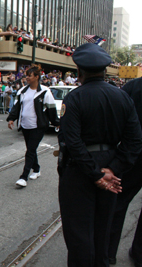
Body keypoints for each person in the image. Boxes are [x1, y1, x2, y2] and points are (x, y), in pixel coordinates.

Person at [58, 43, 142, 267]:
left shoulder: (74, 98)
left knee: (78, 234)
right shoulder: (123, 97)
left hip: (80, 171)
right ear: (105, 71)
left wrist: (96, 174)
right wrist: (112, 169)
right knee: (103, 229)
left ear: (79, 72)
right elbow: (134, 141)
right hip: (111, 169)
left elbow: (72, 142)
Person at [108, 76, 142, 266]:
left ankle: (108, 251)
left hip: (134, 156)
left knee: (118, 202)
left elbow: (116, 121)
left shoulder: (133, 87)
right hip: (133, 154)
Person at [7, 64, 59, 187]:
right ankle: (36, 169)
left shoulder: (45, 91)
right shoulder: (22, 91)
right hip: (25, 125)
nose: (27, 78)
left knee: (30, 150)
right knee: (31, 149)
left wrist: (57, 123)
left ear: (36, 77)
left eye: (29, 76)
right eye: (26, 76)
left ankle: (24, 177)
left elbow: (51, 110)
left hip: (38, 126)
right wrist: (11, 119)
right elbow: (17, 107)